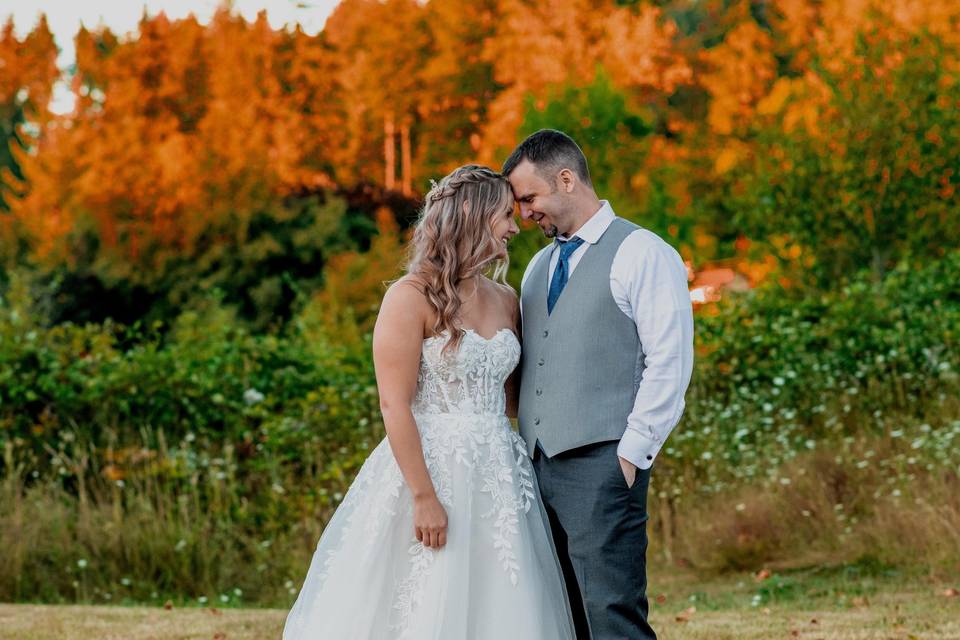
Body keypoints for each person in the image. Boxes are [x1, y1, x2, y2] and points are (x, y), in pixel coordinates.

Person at [282, 164, 576, 639]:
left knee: (504, 594)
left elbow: (517, 395)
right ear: (474, 219)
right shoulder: (409, 297)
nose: (514, 226)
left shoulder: (505, 298)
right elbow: (393, 405)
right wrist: (423, 497)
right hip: (431, 468)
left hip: (500, 474)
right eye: (505, 214)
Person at [504, 129, 694, 640]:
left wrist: (631, 453)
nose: (524, 214)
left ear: (566, 179)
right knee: (560, 614)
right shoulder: (538, 267)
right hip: (536, 467)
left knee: (611, 613)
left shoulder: (642, 252)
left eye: (529, 198)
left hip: (605, 465)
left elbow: (670, 362)